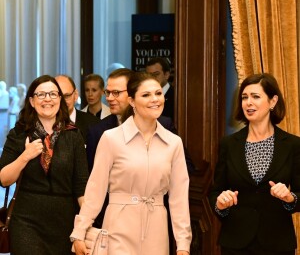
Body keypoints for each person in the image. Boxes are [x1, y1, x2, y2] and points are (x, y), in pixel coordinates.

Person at [70, 72, 192, 255]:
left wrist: (183, 244)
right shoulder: (111, 138)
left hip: (157, 230)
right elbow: (96, 188)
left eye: (158, 93)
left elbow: (179, 198)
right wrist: (79, 232)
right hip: (118, 227)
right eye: (146, 95)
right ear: (132, 101)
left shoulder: (173, 143)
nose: (155, 99)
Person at [208, 73, 300, 255]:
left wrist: (290, 198)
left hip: (278, 243)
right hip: (235, 243)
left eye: (255, 96)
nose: (248, 103)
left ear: (272, 102)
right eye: (244, 97)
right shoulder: (228, 144)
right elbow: (215, 193)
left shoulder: (293, 145)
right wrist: (220, 203)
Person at [0, 75, 89, 254]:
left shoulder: (73, 135)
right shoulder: (19, 133)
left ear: (59, 99)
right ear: (32, 101)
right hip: (26, 221)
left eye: (53, 94)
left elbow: (81, 186)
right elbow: (4, 179)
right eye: (41, 95)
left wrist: (84, 226)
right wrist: (25, 156)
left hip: (64, 221)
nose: (47, 99)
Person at [55, 74, 101, 144]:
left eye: (66, 96)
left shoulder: (95, 125)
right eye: (56, 96)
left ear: (76, 95)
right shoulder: (43, 127)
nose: (62, 102)